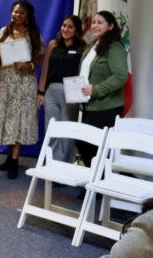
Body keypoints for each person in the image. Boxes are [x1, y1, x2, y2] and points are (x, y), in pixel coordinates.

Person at [0, 0, 45, 179]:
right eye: (15, 12)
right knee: (8, 118)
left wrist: (28, 65)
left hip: (25, 83)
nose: (17, 15)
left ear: (27, 15)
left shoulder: (34, 34)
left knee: (20, 120)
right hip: (6, 82)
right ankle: (9, 156)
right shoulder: (4, 32)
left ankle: (14, 160)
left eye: (21, 12)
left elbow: (39, 59)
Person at [77, 11, 128, 168]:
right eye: (94, 22)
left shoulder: (114, 48)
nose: (95, 25)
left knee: (88, 144)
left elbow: (121, 76)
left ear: (111, 26)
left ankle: (100, 187)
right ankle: (94, 186)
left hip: (107, 106)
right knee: (89, 146)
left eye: (100, 22)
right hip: (90, 105)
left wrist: (96, 89)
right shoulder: (93, 45)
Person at [37, 14, 87, 163]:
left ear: (77, 29)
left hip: (71, 92)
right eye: (64, 25)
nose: (66, 29)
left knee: (66, 131)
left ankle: (62, 168)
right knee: (51, 130)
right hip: (51, 91)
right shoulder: (53, 44)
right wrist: (41, 91)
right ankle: (50, 165)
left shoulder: (83, 46)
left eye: (70, 27)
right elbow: (46, 68)